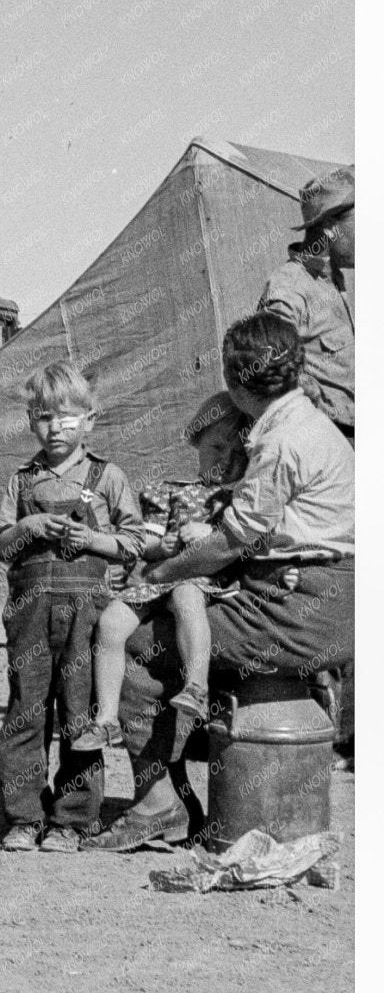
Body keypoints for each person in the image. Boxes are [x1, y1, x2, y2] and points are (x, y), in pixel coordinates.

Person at [84, 312, 355, 852]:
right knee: (183, 630)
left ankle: (156, 805)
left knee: (138, 645)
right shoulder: (305, 423)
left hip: (300, 607)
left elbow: (230, 542)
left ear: (236, 383)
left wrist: (156, 575)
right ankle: (179, 795)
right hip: (317, 596)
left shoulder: (283, 442)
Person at [0, 364, 146, 853]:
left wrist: (93, 537)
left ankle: (72, 819)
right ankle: (24, 816)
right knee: (26, 712)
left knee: (81, 715)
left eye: (67, 417)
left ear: (90, 421)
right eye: (42, 417)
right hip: (31, 613)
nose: (55, 428)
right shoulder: (21, 479)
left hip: (87, 613)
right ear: (30, 421)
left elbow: (137, 540)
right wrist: (29, 530)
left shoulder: (107, 476)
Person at [74, 394, 251, 762]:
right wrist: (163, 544)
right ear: (197, 439)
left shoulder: (243, 500)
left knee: (187, 595)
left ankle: (196, 687)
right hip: (157, 581)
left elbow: (240, 540)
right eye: (217, 446)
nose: (226, 459)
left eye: (239, 452)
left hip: (203, 581)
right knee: (110, 622)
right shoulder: (171, 490)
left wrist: (211, 531)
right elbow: (147, 543)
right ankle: (106, 718)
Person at [259, 162, 354, 440]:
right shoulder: (289, 288)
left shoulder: (331, 277)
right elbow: (268, 368)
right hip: (329, 437)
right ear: (329, 227)